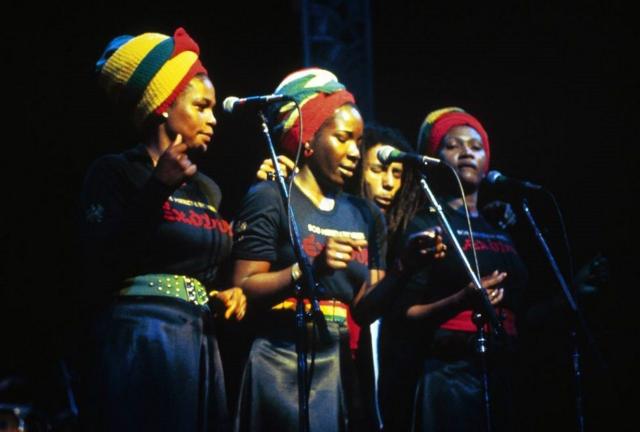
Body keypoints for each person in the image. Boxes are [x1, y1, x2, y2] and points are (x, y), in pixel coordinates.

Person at [76, 28, 246, 432]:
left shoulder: (208, 188)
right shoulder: (116, 172)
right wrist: (156, 189)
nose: (212, 117)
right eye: (201, 106)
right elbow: (101, 258)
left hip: (199, 337)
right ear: (165, 106)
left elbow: (202, 264)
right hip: (142, 335)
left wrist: (228, 291)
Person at [398, 107, 528, 431]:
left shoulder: (502, 228)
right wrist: (462, 300)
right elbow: (404, 315)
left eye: (475, 146)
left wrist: (574, 296)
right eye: (453, 145)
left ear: (487, 163)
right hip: (449, 375)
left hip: (505, 372)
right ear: (435, 157)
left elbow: (524, 311)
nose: (466, 152)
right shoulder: (427, 225)